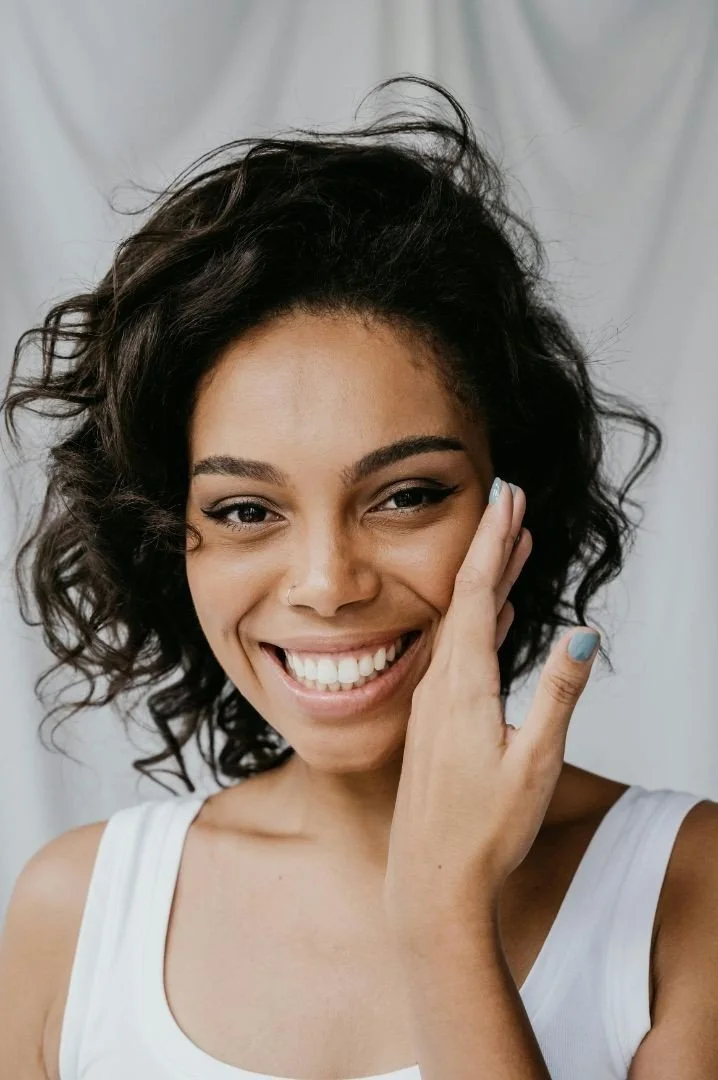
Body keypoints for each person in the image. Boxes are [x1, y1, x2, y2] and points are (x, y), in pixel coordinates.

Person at [0, 74, 716, 1080]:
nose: (328, 583)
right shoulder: (73, 916)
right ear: (173, 538)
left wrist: (441, 919)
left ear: (512, 504)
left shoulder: (687, 889)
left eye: (406, 494)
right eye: (246, 510)